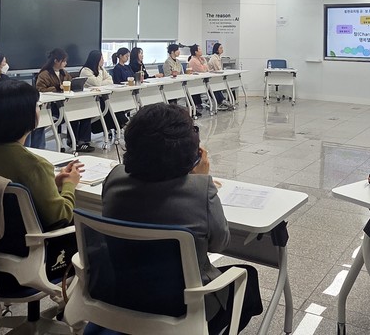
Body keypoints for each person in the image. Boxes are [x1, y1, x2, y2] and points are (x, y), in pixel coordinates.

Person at [102, 104, 263, 334]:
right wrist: (202, 178)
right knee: (248, 277)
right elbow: (220, 243)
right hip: (183, 307)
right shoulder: (199, 191)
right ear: (190, 152)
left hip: (121, 294)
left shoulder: (114, 179)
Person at [0, 80, 84, 230]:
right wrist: (70, 184)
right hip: (32, 240)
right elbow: (60, 217)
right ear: (26, 115)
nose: (39, 109)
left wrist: (52, 183)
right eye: (37, 105)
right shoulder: (35, 165)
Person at [36, 48, 94, 152]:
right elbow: (40, 89)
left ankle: (82, 141)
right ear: (56, 61)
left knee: (84, 112)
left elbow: (71, 83)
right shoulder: (44, 74)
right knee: (74, 114)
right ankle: (73, 141)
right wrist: (57, 88)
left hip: (66, 104)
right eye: (63, 61)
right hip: (53, 106)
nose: (65, 63)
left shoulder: (64, 73)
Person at [189, 44, 228, 111]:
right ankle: (220, 101)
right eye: (199, 49)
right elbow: (203, 70)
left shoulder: (199, 59)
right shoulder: (194, 61)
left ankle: (221, 100)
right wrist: (204, 63)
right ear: (196, 52)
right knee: (212, 86)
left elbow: (206, 69)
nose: (201, 50)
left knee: (214, 85)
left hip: (203, 80)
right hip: (198, 83)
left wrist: (204, 64)